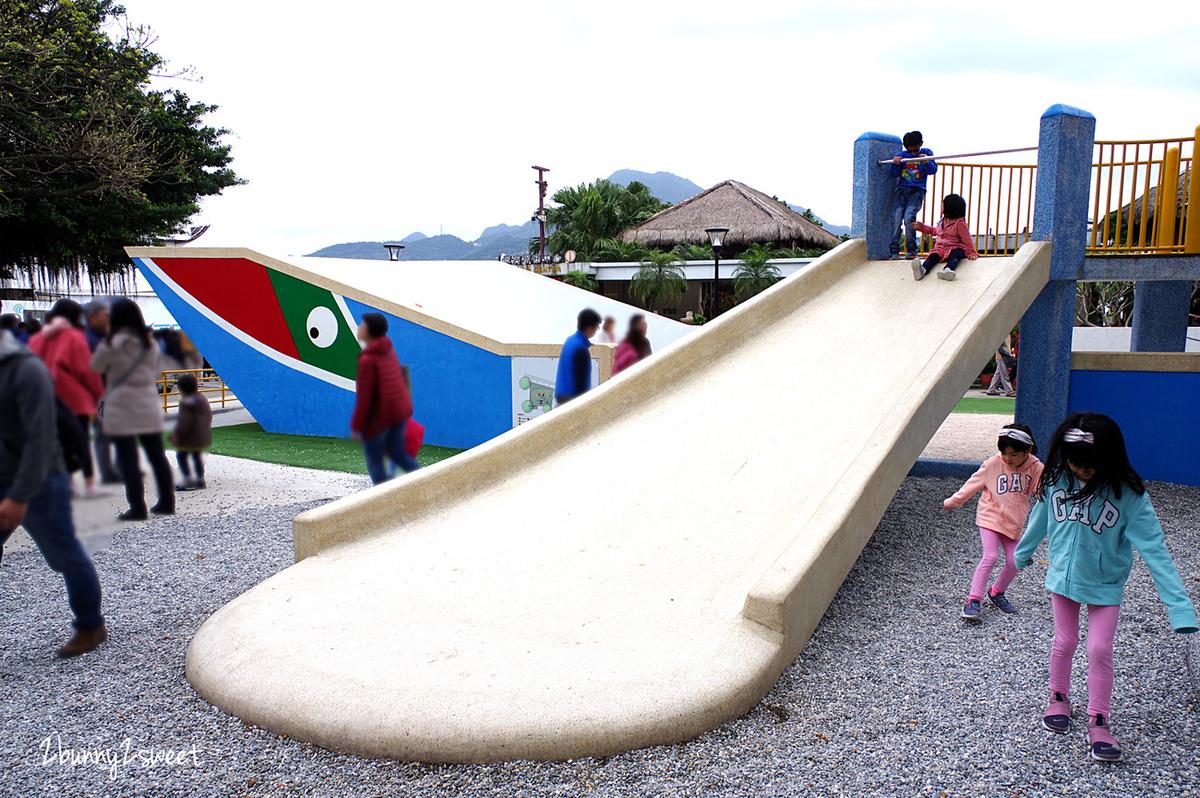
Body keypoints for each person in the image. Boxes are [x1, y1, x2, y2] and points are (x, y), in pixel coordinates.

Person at [1014, 412, 1197, 762]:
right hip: (1062, 581)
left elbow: (1155, 551)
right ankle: (1059, 699)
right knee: (1064, 641)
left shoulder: (1129, 496)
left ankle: (1099, 720)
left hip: (1105, 585)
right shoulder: (1056, 481)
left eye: (1091, 465)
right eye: (1075, 462)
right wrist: (1022, 554)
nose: (1082, 470)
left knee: (1099, 649)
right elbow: (1040, 519)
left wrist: (1180, 609)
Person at [0, 328, 106, 657]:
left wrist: (19, 495)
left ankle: (90, 624)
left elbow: (41, 438)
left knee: (66, 555)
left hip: (39, 481)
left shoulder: (25, 368)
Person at [943, 424, 1044, 622]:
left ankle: (997, 592)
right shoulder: (992, 464)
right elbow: (972, 484)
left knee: (1016, 560)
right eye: (1004, 453)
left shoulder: (1036, 467)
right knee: (990, 556)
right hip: (989, 517)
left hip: (1013, 522)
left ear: (1028, 450)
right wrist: (954, 501)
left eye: (1014, 454)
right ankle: (973, 600)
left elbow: (1042, 491)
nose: (1008, 458)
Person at [91, 298, 174, 521]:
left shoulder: (110, 345)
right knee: (157, 454)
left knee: (128, 458)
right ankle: (167, 501)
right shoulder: (150, 344)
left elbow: (96, 370)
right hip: (147, 402)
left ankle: (138, 507)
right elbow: (155, 372)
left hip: (120, 404)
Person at [28, 299, 107, 499]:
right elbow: (86, 370)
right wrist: (98, 392)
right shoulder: (74, 337)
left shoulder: (37, 338)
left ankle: (67, 482)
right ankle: (88, 484)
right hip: (74, 399)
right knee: (80, 441)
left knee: (56, 442)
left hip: (44, 397)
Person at [350, 312, 420, 485]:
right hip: (398, 413)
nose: (359, 328)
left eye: (362, 325)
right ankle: (426, 481)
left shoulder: (368, 360)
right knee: (398, 453)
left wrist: (356, 426)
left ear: (370, 331)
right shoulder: (389, 350)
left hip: (381, 419)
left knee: (374, 459)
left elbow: (365, 398)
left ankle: (383, 497)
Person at [83, 300, 121, 484]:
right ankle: (108, 471)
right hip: (101, 393)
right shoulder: (89, 339)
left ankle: (115, 468)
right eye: (104, 315)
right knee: (103, 434)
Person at [889, 130, 937, 259]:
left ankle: (911, 249)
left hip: (917, 190)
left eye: (915, 149)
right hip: (902, 189)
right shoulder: (903, 155)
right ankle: (894, 249)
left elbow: (933, 170)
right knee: (896, 217)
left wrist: (926, 161)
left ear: (921, 143)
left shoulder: (927, 153)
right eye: (910, 150)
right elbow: (894, 174)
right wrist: (896, 163)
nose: (913, 153)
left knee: (909, 216)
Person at [910, 193, 979, 282]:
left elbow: (967, 239)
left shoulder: (959, 223)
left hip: (954, 247)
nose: (941, 205)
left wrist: (971, 252)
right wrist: (920, 227)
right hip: (940, 249)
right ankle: (923, 270)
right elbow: (934, 231)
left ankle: (948, 270)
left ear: (950, 208)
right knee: (932, 256)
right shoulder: (942, 222)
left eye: (943, 204)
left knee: (956, 255)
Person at [170, 374, 212, 491]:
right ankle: (200, 479)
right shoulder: (202, 398)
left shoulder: (185, 402)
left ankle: (187, 480)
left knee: (181, 456)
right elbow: (209, 415)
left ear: (181, 389)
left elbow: (184, 422)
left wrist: (176, 434)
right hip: (202, 435)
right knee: (197, 456)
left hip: (189, 438)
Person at [554, 308, 601, 405]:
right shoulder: (581, 349)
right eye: (596, 328)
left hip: (561, 394)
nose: (596, 331)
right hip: (571, 398)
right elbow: (580, 381)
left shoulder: (570, 340)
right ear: (589, 328)